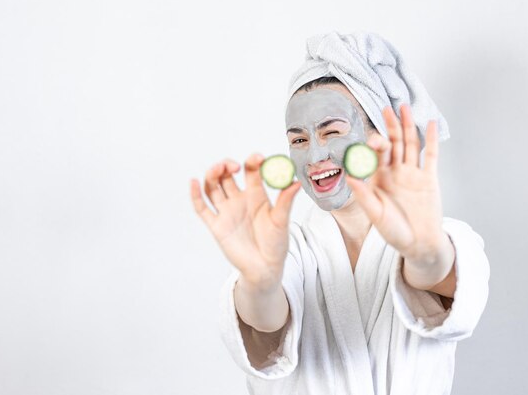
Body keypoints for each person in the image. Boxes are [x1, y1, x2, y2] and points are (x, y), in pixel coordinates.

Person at [189, 32, 490, 395]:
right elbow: (265, 321)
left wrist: (424, 252)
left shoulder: (444, 240)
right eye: (299, 140)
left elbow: (439, 276)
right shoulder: (287, 249)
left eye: (331, 132)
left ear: (378, 136)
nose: (315, 157)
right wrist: (260, 283)